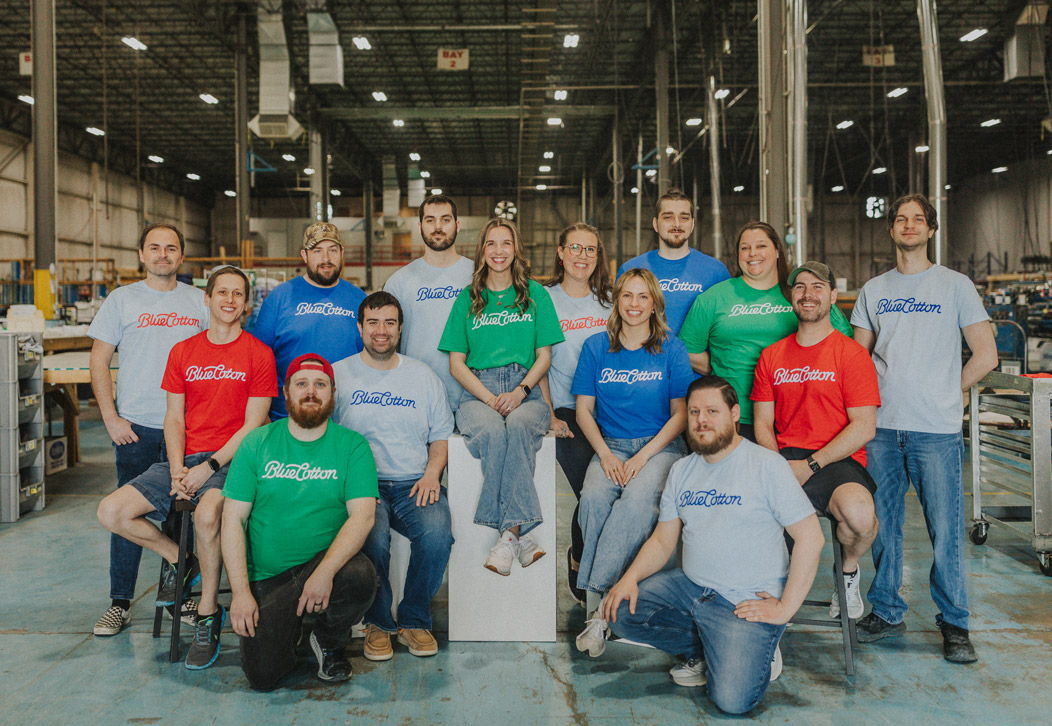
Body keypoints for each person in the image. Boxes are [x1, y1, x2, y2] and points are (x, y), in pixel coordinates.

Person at [603, 376, 822, 715]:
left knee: (732, 701)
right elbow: (663, 540)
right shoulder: (681, 470)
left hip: (745, 601)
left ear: (735, 414)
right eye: (694, 412)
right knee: (619, 611)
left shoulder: (766, 465)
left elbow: (811, 536)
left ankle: (763, 645)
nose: (701, 420)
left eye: (711, 411)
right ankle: (708, 647)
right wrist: (629, 578)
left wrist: (785, 608)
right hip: (692, 588)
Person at [96, 266, 276, 669]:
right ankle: (182, 559)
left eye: (237, 294)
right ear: (207, 299)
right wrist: (177, 469)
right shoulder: (184, 351)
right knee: (111, 511)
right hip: (184, 459)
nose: (229, 300)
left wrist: (207, 466)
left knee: (208, 514)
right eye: (222, 293)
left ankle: (208, 615)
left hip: (234, 461)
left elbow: (253, 425)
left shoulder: (258, 354)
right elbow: (173, 418)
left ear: (246, 305)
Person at [851, 194, 997, 663]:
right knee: (883, 525)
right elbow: (858, 359)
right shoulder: (875, 289)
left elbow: (986, 355)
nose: (909, 226)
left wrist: (946, 391)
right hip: (881, 428)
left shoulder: (955, 286)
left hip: (935, 430)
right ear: (891, 230)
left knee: (946, 529)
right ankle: (887, 610)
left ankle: (955, 623)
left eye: (918, 220)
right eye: (901, 220)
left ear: (930, 230)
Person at [221, 354, 378, 690]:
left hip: (324, 565)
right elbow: (232, 519)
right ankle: (288, 629)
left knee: (361, 575)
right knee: (262, 677)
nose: (311, 392)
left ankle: (328, 640)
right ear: (286, 392)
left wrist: (323, 573)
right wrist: (240, 593)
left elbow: (363, 518)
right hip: (269, 577)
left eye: (320, 385)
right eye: (302, 384)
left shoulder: (353, 447)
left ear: (333, 393)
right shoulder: (257, 442)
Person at [87, 223, 208, 636]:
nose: (162, 255)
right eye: (154, 248)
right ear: (141, 254)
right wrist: (111, 418)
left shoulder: (200, 302)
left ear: (181, 255)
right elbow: (98, 362)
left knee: (182, 516)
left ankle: (177, 600)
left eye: (170, 248)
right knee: (128, 515)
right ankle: (119, 603)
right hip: (137, 429)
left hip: (189, 430)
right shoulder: (122, 300)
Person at [571, 268, 692, 656]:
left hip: (660, 448)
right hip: (611, 446)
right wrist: (606, 454)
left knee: (636, 504)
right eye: (627, 296)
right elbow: (584, 410)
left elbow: (680, 415)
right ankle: (601, 609)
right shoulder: (595, 347)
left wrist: (643, 455)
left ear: (654, 302)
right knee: (591, 499)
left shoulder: (671, 348)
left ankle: (599, 615)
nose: (635, 305)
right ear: (617, 300)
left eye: (643, 297)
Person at [751, 261, 880, 620]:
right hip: (783, 458)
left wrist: (811, 465)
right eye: (800, 287)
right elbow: (763, 422)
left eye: (817, 287)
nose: (808, 294)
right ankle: (763, 600)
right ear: (791, 297)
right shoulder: (772, 355)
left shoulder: (851, 354)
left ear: (833, 296)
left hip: (835, 460)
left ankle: (848, 573)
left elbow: (863, 426)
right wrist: (777, 466)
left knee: (860, 517)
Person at [331, 292, 455, 662]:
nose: (381, 331)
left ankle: (415, 619)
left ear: (400, 329)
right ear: (360, 327)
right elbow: (325, 436)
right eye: (373, 322)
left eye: (389, 323)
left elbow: (440, 435)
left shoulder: (422, 376)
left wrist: (433, 474)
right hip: (362, 485)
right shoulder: (337, 374)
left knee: (437, 537)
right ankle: (379, 622)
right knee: (374, 539)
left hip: (413, 482)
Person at [438, 218, 565, 574]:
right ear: (482, 251)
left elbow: (544, 357)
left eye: (505, 243)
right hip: (477, 391)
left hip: (526, 389)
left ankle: (506, 539)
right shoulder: (468, 298)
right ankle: (516, 537)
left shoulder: (535, 295)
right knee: (494, 432)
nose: (498, 251)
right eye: (491, 244)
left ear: (515, 249)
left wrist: (521, 391)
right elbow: (456, 364)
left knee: (521, 427)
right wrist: (491, 399)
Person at [679, 222, 852, 441]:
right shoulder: (713, 298)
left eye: (761, 246)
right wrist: (723, 366)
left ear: (777, 250)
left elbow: (844, 343)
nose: (752, 253)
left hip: (795, 414)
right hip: (733, 414)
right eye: (744, 248)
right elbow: (687, 351)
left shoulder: (801, 295)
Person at [540, 223, 613, 604]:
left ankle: (601, 567)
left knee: (610, 490)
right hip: (567, 410)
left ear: (597, 257)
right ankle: (580, 559)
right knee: (589, 490)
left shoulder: (609, 303)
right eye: (575, 248)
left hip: (609, 411)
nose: (582, 256)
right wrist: (550, 414)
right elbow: (537, 362)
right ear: (560, 252)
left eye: (590, 249)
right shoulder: (542, 299)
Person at [253, 222, 366, 420]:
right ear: (304, 255)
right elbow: (258, 362)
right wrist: (263, 415)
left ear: (342, 252)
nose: (326, 259)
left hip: (347, 417)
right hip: (289, 418)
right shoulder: (280, 298)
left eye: (332, 250)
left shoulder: (359, 299)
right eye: (317, 251)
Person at [384, 194, 474, 411]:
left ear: (457, 225)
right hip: (417, 396)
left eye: (445, 219)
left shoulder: (478, 275)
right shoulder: (399, 282)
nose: (438, 227)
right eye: (430, 220)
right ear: (420, 226)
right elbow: (387, 343)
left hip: (472, 395)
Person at [617, 188, 729, 334]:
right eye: (668, 217)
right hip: (645, 356)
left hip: (695, 357)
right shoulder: (631, 269)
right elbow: (618, 324)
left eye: (684, 217)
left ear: (692, 224)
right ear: (656, 224)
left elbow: (726, 328)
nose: (677, 224)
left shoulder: (716, 272)